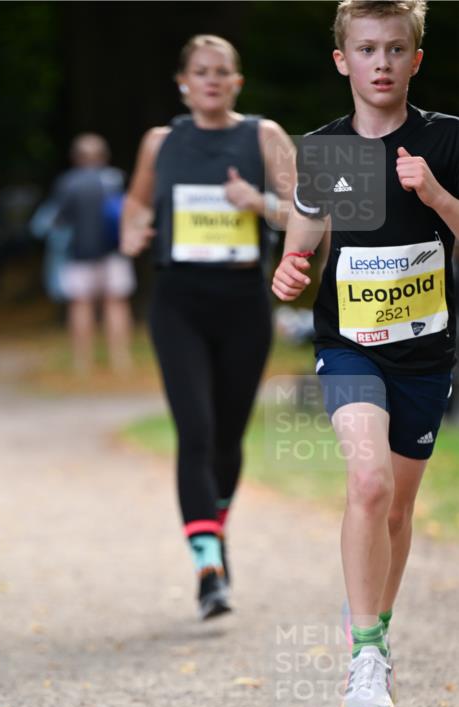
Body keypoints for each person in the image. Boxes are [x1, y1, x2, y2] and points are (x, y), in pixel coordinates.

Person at [272, 0, 458, 707]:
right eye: (366, 49)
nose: (379, 62)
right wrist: (288, 271)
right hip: (348, 345)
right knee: (369, 483)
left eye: (394, 49)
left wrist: (435, 194)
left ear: (416, 60)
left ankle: (375, 637)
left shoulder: (445, 142)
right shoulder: (321, 150)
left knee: (398, 508)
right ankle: (365, 655)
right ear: (341, 61)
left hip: (424, 354)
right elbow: (301, 239)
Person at [121, 34, 296, 620]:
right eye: (201, 72)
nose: (212, 80)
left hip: (244, 303)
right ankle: (207, 569)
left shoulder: (263, 136)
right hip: (179, 303)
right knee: (194, 430)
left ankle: (212, 534)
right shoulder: (161, 141)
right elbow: (138, 204)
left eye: (223, 72)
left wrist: (256, 202)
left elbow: (306, 214)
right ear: (183, 82)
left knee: (226, 437)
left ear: (237, 82)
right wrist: (132, 231)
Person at [52, 134, 135, 375]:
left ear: (76, 157)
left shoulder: (68, 182)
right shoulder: (115, 179)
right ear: (103, 156)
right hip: (114, 253)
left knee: (81, 305)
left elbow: (60, 220)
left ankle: (82, 362)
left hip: (79, 254)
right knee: (116, 303)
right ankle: (121, 360)